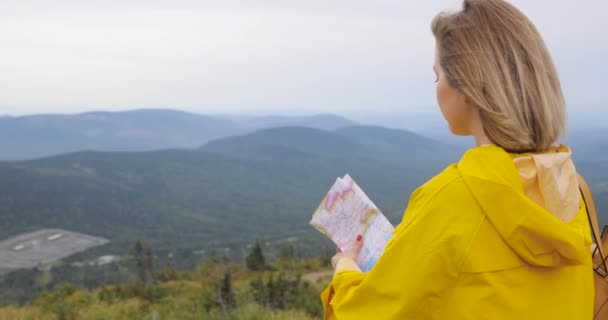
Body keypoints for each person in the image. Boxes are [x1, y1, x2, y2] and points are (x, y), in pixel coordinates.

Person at [321, 0, 594, 319]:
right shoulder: (571, 191)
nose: (436, 87)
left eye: (438, 75)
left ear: (466, 83)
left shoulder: (452, 201)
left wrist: (345, 269)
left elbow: (362, 314)